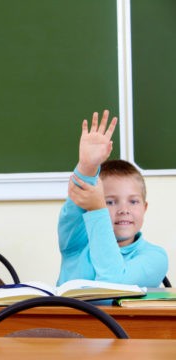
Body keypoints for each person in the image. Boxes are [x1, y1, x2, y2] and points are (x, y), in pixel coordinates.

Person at [57, 110, 168, 287]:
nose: (124, 210)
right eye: (109, 202)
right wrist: (87, 167)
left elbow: (114, 287)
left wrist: (99, 208)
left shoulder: (155, 258)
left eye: (133, 201)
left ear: (144, 208)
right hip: (67, 316)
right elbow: (76, 201)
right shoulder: (75, 244)